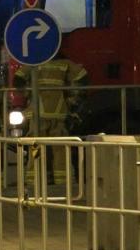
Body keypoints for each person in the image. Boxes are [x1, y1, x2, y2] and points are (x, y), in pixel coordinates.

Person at [13, 54, 87, 184]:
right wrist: (73, 99)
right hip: (58, 112)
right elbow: (83, 77)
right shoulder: (65, 63)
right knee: (60, 150)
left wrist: (26, 93)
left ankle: (34, 179)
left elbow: (18, 78)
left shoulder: (34, 61)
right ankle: (63, 181)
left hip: (38, 113)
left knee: (35, 146)